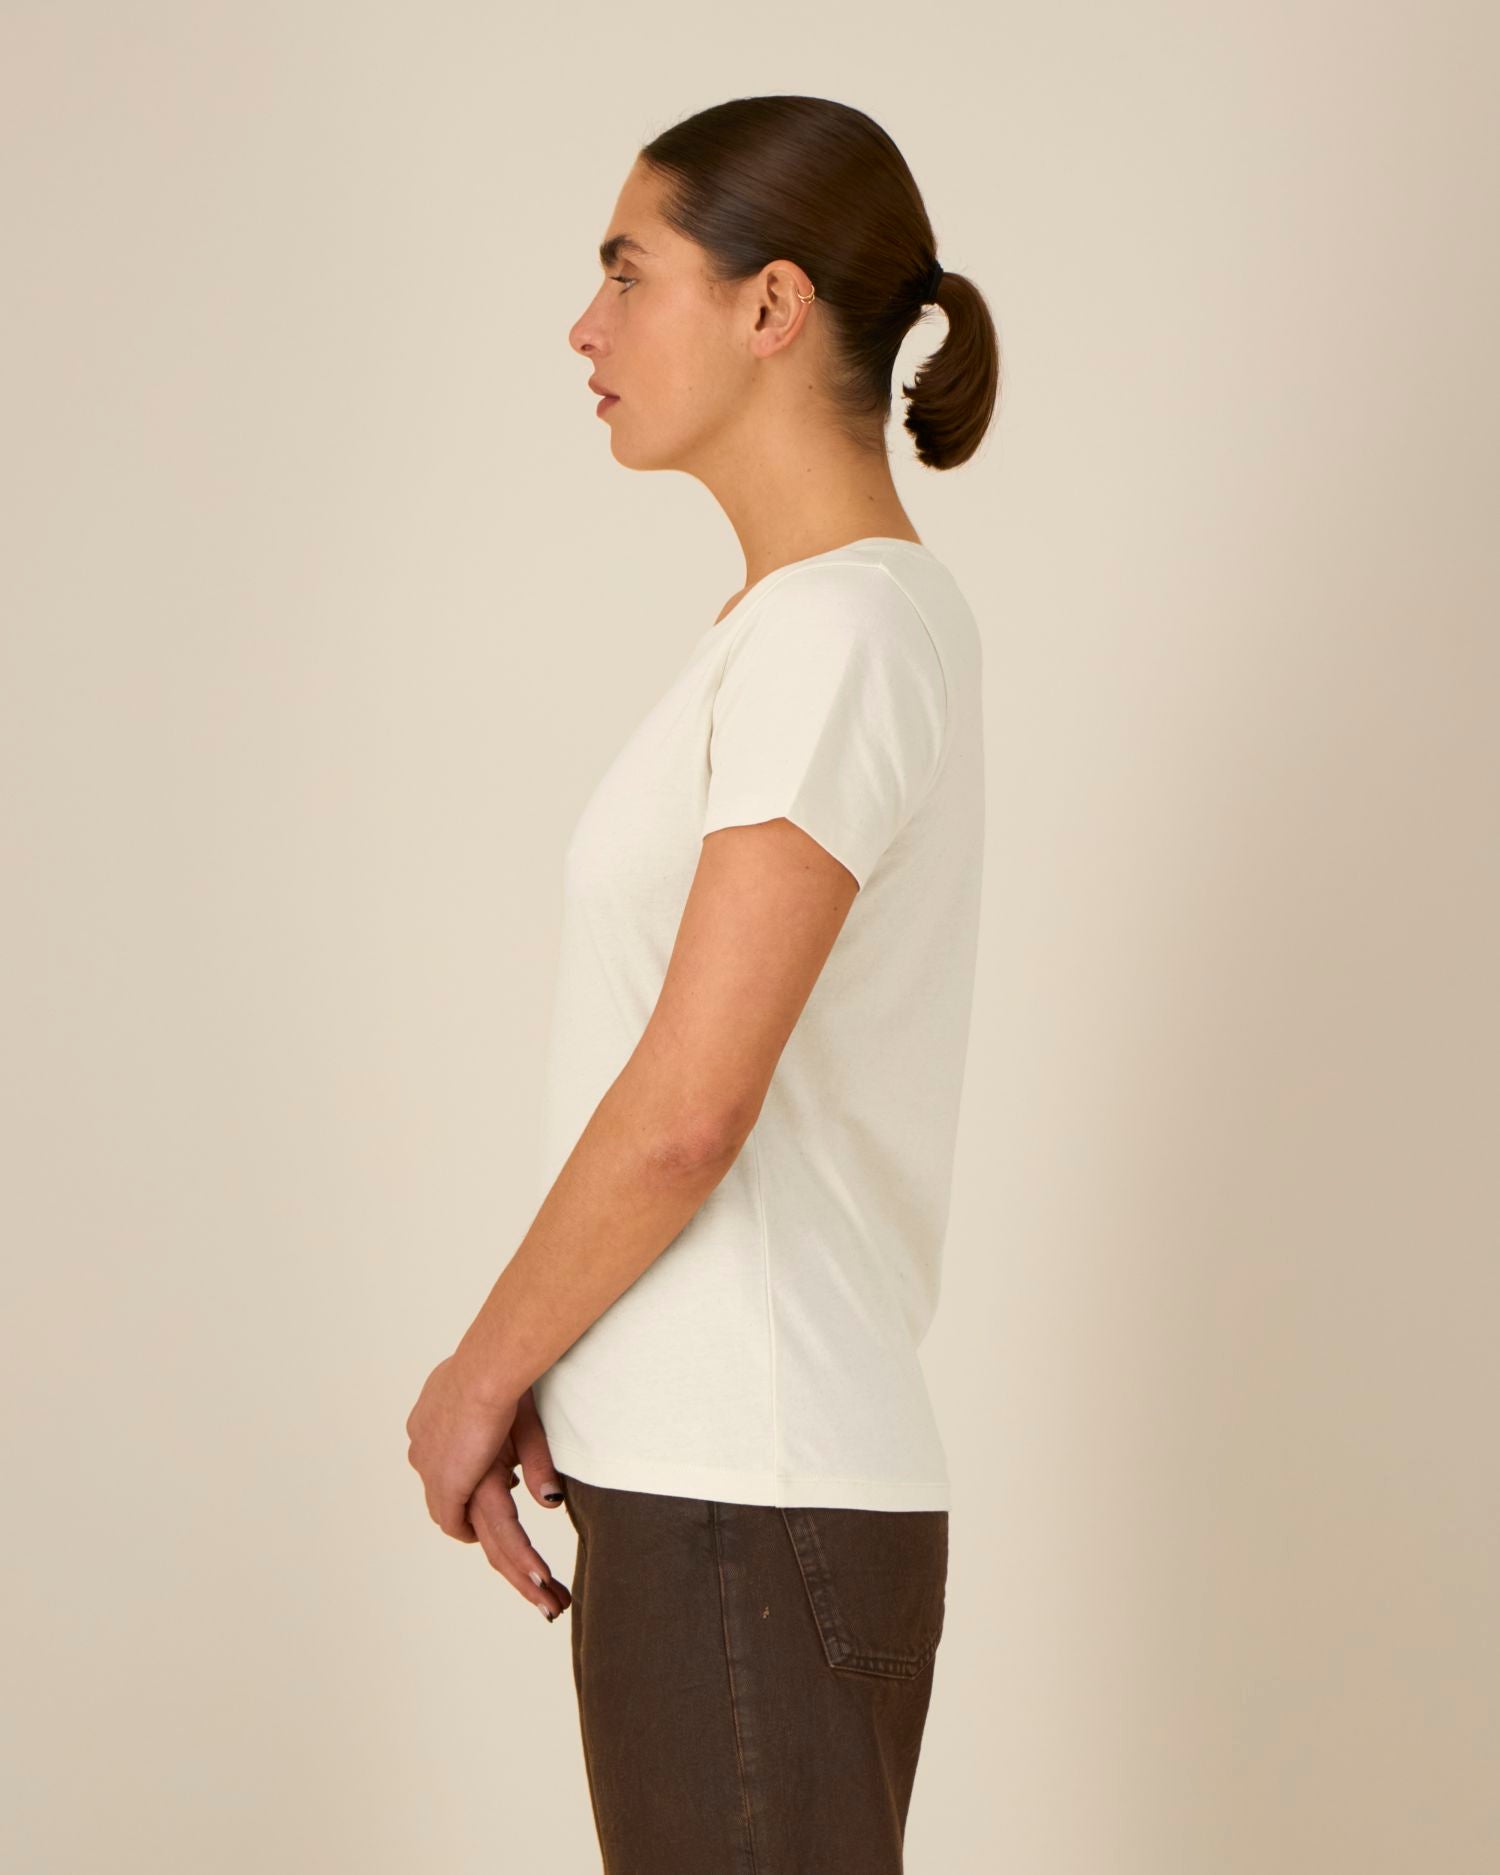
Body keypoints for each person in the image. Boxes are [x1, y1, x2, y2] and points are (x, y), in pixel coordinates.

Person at [405, 92, 1002, 1872]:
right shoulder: (806, 630)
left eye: (625, 273)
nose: (583, 328)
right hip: (722, 1488)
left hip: (749, 1492)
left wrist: (479, 1373)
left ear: (771, 306)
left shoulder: (840, 631)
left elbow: (690, 1104)